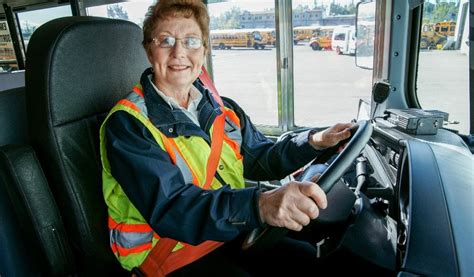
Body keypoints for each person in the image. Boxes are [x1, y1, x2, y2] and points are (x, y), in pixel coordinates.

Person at [100, 0, 353, 275]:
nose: (179, 52)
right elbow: (172, 207)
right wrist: (261, 204)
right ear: (149, 51)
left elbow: (262, 159)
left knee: (314, 257)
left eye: (191, 41)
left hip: (227, 231)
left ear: (204, 50)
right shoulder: (128, 124)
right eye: (165, 41)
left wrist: (314, 141)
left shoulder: (222, 109)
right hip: (171, 255)